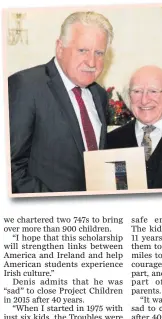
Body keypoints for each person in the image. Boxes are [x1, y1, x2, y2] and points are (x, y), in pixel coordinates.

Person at [9, 11, 113, 193]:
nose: (92, 62)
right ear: (59, 48)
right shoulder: (26, 86)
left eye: (99, 53)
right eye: (83, 50)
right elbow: (10, 167)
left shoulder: (99, 95)